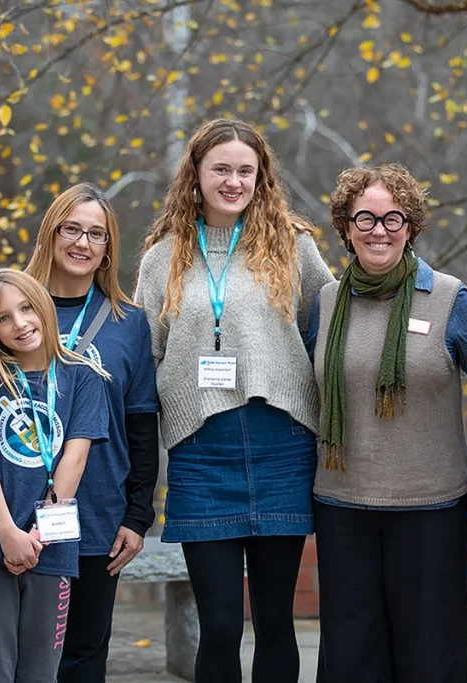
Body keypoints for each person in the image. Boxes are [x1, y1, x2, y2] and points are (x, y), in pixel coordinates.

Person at [134, 118, 333, 682]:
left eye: (246, 170)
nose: (234, 181)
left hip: (282, 443)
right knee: (219, 624)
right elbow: (145, 353)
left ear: (261, 178)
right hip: (202, 452)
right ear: (195, 175)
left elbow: (327, 330)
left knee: (275, 621)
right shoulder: (163, 257)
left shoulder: (293, 246)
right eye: (221, 168)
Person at [0, 183, 160, 682]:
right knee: (5, 658)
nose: (83, 243)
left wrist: (137, 512)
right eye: (72, 229)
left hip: (92, 515)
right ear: (51, 233)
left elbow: (139, 423)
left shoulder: (128, 321)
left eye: (97, 234)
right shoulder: (3, 308)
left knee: (82, 653)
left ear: (108, 246)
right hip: (9, 512)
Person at [306, 164, 467, 683]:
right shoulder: (326, 302)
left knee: (431, 656)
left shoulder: (452, 300)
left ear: (411, 226)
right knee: (351, 654)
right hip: (342, 506)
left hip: (431, 507)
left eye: (392, 218)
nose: (378, 229)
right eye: (365, 218)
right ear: (345, 227)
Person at [0, 268, 110, 683]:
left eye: (25, 309)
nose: (19, 323)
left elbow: (74, 459)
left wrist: (36, 536)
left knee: (41, 672)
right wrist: (7, 532)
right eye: (3, 318)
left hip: (50, 547)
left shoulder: (84, 376)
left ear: (43, 306)